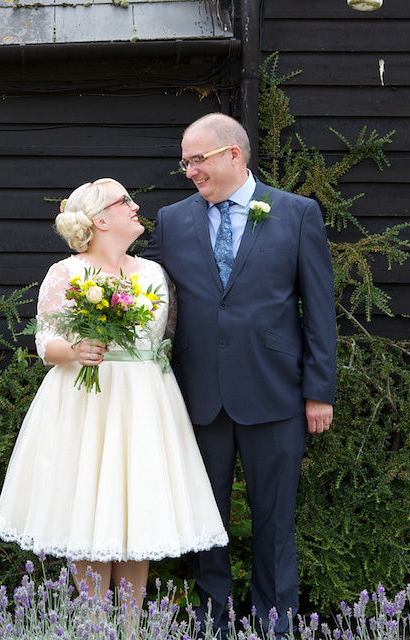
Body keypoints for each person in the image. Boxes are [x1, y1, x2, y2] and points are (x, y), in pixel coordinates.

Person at [0, 178, 228, 635]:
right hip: (87, 401)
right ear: (101, 219)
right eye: (126, 202)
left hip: (144, 402)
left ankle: (133, 628)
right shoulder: (67, 272)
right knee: (88, 509)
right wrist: (77, 349)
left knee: (136, 508)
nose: (137, 207)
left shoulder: (153, 274)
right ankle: (96, 626)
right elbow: (45, 341)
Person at [143, 113, 337, 636]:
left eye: (197, 159)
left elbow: (318, 309)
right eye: (184, 162)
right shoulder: (173, 220)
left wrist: (320, 392)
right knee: (205, 525)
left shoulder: (296, 214)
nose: (188, 171)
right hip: (197, 396)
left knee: (275, 523)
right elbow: (149, 301)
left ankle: (276, 628)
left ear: (234, 154)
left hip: (277, 393)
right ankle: (213, 625)